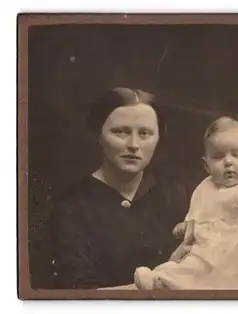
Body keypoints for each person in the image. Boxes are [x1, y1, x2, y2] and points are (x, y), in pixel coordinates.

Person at [49, 87, 188, 289]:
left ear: (158, 138)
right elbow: (78, 295)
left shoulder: (180, 195)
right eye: (121, 132)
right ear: (98, 134)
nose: (133, 144)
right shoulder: (71, 207)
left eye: (145, 133)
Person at [134, 116, 238, 290]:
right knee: (189, 269)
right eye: (218, 157)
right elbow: (199, 213)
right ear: (206, 165)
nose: (228, 162)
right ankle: (160, 280)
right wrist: (187, 226)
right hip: (207, 250)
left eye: (236, 154)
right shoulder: (205, 188)